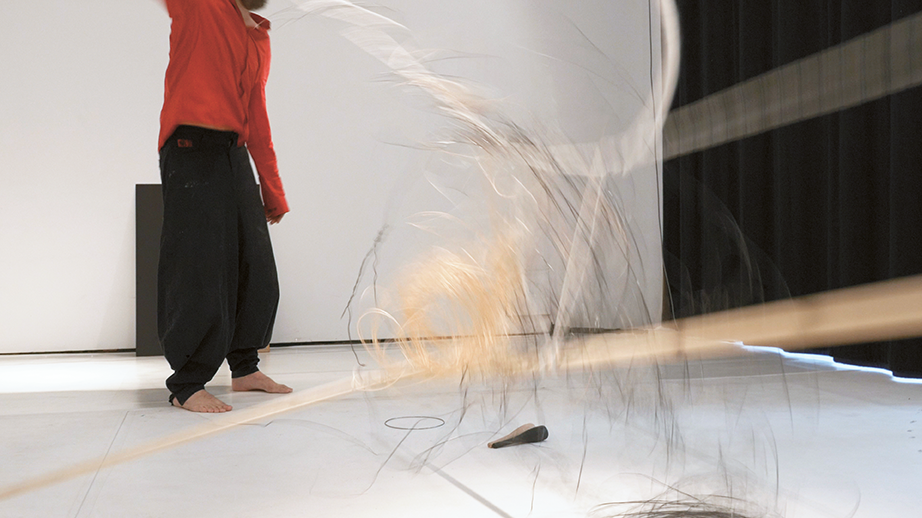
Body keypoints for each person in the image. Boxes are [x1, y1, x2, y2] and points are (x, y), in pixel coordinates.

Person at [157, 0, 292, 413]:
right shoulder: (201, 6)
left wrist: (272, 188)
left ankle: (244, 367)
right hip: (191, 149)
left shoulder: (258, 34)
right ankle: (186, 384)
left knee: (257, 266)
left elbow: (256, 113)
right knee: (199, 269)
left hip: (234, 154)